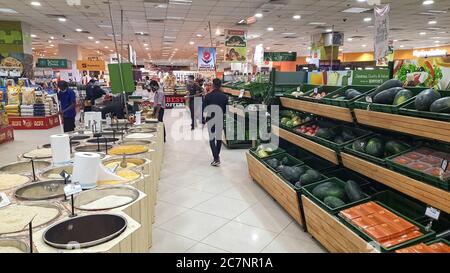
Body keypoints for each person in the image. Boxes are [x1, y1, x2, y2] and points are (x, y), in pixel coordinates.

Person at [204, 78, 228, 167]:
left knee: (211, 139)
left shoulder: (208, 96)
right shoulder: (224, 96)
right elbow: (225, 110)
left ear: (213, 85)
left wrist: (203, 120)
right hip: (220, 118)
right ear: (220, 85)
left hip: (211, 119)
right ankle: (217, 156)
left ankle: (216, 158)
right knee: (218, 139)